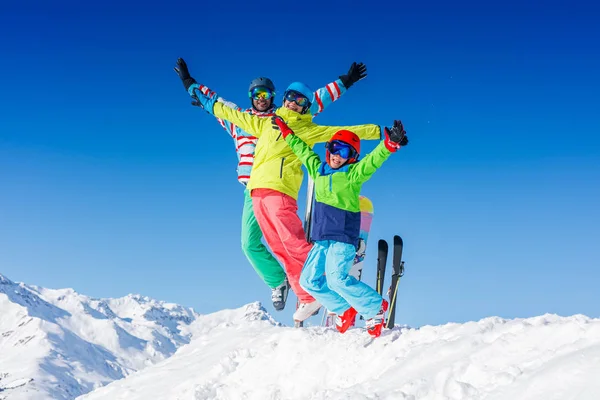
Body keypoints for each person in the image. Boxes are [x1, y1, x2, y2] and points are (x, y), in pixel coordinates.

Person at [184, 77, 389, 324]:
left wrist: (380, 132)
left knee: (293, 243)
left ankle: (332, 286)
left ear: (306, 107)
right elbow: (231, 114)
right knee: (280, 249)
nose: (293, 103)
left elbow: (343, 132)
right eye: (291, 97)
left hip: (280, 190)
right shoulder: (269, 123)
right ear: (284, 99)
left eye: (300, 100)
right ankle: (307, 294)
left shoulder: (306, 129)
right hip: (255, 191)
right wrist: (203, 98)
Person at [271, 117, 409, 337]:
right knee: (308, 280)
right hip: (322, 238)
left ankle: (375, 307)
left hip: (342, 238)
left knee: (337, 279)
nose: (337, 156)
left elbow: (373, 160)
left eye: (344, 152)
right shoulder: (318, 170)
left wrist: (389, 144)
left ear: (351, 157)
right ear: (328, 150)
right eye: (335, 149)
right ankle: (344, 309)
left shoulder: (353, 175)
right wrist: (287, 131)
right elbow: (302, 150)